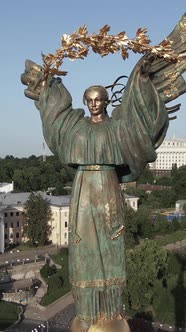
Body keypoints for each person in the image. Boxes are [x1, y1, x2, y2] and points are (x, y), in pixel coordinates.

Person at [21, 14, 186, 332]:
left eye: (99, 100)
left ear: (107, 101)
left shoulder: (118, 128)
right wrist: (46, 85)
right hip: (83, 190)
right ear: (85, 101)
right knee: (83, 246)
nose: (95, 104)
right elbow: (57, 115)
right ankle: (86, 312)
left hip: (108, 187)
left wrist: (144, 80)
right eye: (90, 100)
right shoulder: (75, 127)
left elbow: (140, 118)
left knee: (110, 245)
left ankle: (110, 312)